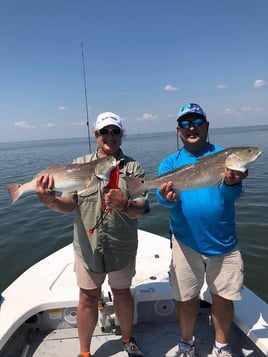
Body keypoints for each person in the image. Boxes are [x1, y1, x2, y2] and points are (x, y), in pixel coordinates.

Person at [36, 112, 149, 357]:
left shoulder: (133, 167)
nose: (110, 136)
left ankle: (128, 340)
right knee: (87, 298)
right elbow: (68, 204)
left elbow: (143, 208)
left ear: (122, 135)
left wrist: (126, 204)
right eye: (104, 131)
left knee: (122, 294)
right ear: (96, 135)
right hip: (88, 248)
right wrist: (51, 201)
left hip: (122, 246)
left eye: (115, 131)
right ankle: (84, 352)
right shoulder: (79, 165)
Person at [157, 103, 248, 357]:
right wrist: (169, 198)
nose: (192, 127)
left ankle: (222, 346)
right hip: (185, 243)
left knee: (223, 298)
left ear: (207, 126)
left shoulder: (225, 157)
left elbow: (232, 195)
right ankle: (186, 343)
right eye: (185, 123)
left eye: (197, 121)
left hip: (223, 243)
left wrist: (231, 183)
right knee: (185, 299)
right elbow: (162, 198)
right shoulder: (169, 163)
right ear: (179, 131)